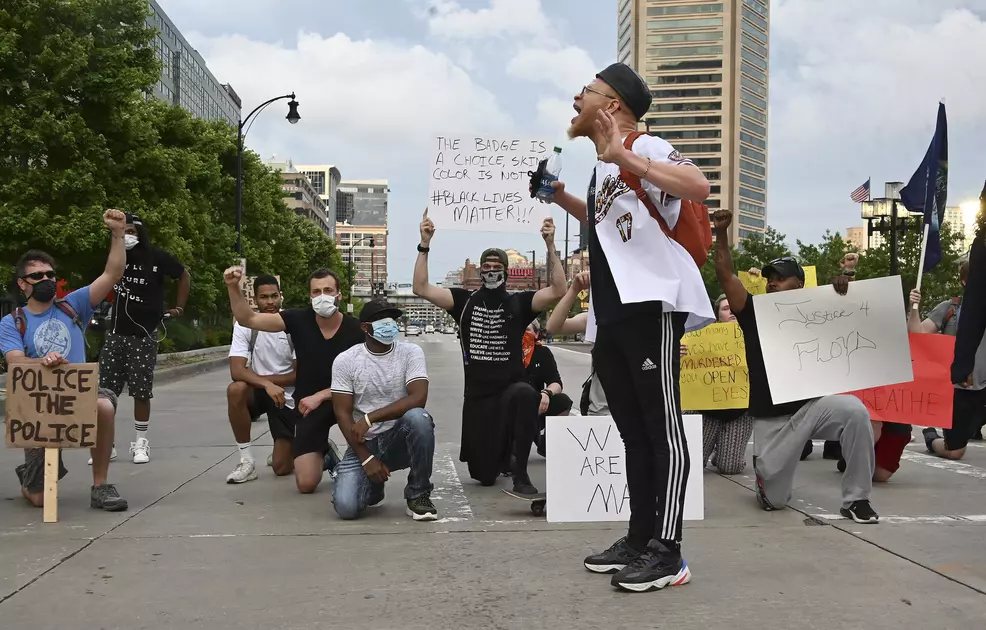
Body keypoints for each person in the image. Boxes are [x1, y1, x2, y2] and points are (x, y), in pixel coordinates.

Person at [546, 62, 714, 592]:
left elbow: (697, 184)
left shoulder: (648, 145)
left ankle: (670, 552)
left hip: (650, 309)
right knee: (634, 435)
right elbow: (608, 224)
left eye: (588, 91)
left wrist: (626, 156)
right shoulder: (602, 168)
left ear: (613, 104)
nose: (577, 97)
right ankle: (640, 539)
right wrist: (557, 195)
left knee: (663, 430)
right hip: (612, 315)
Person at [712, 209, 879, 524]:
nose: (772, 284)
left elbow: (857, 319)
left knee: (855, 410)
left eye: (780, 279)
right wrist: (721, 234)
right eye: (769, 280)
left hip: (811, 408)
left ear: (799, 284)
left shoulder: (818, 311)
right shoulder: (752, 311)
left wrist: (845, 287)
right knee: (774, 502)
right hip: (772, 420)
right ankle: (767, 481)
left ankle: (857, 499)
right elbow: (725, 275)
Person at [413, 210, 566, 495]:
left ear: (506, 271)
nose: (491, 268)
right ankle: (501, 454)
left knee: (525, 394)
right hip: (478, 398)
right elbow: (420, 287)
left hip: (510, 390)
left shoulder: (519, 302)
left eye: (497, 264)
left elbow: (559, 289)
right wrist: (425, 243)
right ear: (480, 270)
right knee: (483, 475)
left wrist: (550, 244)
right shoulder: (463, 300)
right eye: (486, 264)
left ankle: (521, 474)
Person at [0, 210, 130, 511]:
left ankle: (100, 486)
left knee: (103, 405)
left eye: (49, 275)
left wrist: (117, 234)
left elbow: (112, 274)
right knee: (41, 498)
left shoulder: (74, 305)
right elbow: (16, 362)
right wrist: (42, 362)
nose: (45, 280)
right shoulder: (12, 322)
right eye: (36, 276)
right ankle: (30, 477)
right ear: (23, 284)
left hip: (79, 393)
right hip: (40, 404)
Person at [223, 266, 361, 494]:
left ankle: (356, 462)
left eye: (328, 290)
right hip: (308, 407)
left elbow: (364, 377)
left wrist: (323, 395)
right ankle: (323, 454)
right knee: (305, 483)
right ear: (310, 296)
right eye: (316, 292)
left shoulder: (356, 330)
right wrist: (232, 287)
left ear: (339, 294)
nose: (322, 296)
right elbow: (248, 318)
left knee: (367, 457)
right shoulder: (297, 320)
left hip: (345, 401)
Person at [331, 300, 437, 521]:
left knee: (419, 418)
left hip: (400, 437)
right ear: (364, 327)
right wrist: (366, 459)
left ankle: (418, 494)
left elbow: (419, 397)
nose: (388, 324)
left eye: (391, 319)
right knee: (346, 508)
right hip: (364, 441)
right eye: (380, 319)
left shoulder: (410, 352)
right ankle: (372, 484)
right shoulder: (346, 360)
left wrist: (371, 417)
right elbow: (342, 413)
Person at [97, 213, 190, 465]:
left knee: (141, 392)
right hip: (116, 332)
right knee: (105, 393)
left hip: (144, 334)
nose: (127, 236)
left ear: (141, 233)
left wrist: (179, 307)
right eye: (123, 231)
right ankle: (107, 445)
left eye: (132, 231)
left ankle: (140, 442)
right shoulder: (117, 257)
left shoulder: (157, 257)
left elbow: (183, 274)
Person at [225, 274, 298, 483]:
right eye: (264, 297)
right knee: (236, 389)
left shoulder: (292, 324)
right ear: (255, 301)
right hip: (261, 390)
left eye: (274, 296)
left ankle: (302, 445)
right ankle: (246, 461)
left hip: (287, 395)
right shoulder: (245, 324)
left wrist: (271, 384)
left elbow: (298, 374)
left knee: (281, 467)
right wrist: (266, 384)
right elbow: (237, 371)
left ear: (281, 297)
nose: (270, 302)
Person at [910, 260, 986, 460]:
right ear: (965, 282)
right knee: (954, 451)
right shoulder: (950, 308)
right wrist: (914, 307)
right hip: (959, 392)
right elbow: (918, 334)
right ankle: (932, 438)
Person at [698, 295, 754, 476]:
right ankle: (716, 445)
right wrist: (680, 352)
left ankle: (723, 451)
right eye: (725, 308)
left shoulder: (756, 334)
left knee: (730, 468)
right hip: (707, 410)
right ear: (717, 316)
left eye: (734, 308)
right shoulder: (698, 338)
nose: (731, 312)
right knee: (693, 462)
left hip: (739, 412)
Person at [545, 271, 610, 417]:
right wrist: (574, 289)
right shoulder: (593, 319)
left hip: (637, 411)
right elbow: (553, 327)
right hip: (601, 410)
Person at [523, 319, 573, 457]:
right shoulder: (507, 352)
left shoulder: (543, 353)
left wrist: (546, 393)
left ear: (536, 333)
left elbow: (556, 382)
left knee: (563, 401)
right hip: (513, 411)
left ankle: (547, 442)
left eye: (527, 330)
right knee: (510, 464)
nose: (523, 334)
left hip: (537, 405)